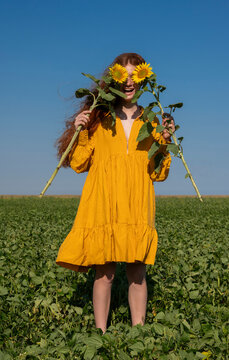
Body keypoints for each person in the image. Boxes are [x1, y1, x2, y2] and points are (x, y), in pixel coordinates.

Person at [56, 53, 175, 334]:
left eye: (136, 76)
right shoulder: (100, 117)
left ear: (145, 79)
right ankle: (101, 333)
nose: (130, 81)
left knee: (137, 272)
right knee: (104, 273)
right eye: (124, 75)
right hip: (104, 201)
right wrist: (81, 130)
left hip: (136, 202)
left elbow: (158, 173)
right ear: (113, 80)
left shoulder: (151, 119)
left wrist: (165, 143)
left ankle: (139, 333)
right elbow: (79, 163)